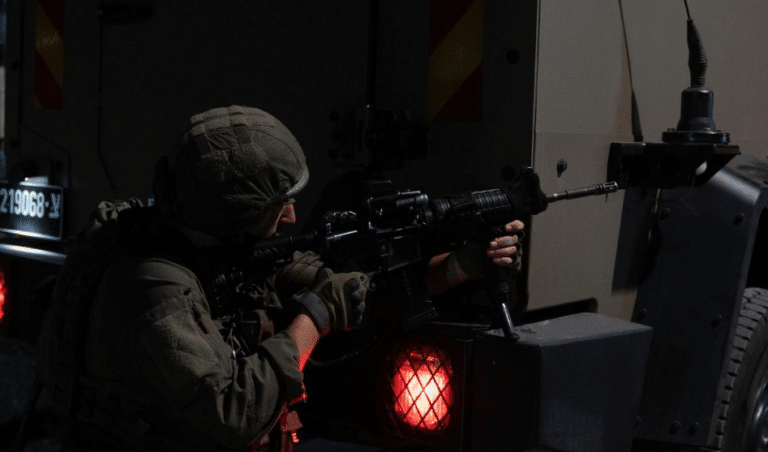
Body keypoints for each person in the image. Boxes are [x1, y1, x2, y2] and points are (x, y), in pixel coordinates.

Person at [35, 106, 524, 452]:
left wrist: (462, 264)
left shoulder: (219, 247)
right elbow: (234, 415)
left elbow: (350, 290)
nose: (291, 216)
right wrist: (313, 317)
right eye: (278, 204)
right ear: (232, 212)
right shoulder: (151, 285)